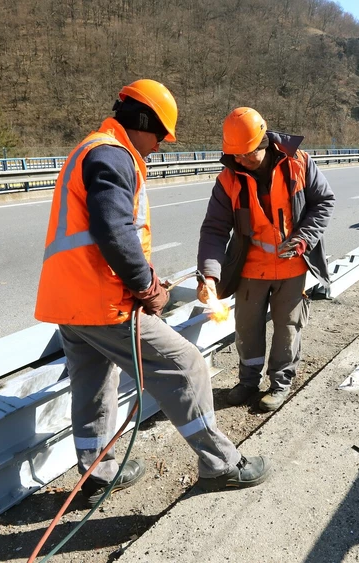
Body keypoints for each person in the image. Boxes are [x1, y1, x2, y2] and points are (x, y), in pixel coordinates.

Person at [34, 80, 269, 504]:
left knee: (93, 385)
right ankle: (220, 465)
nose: (159, 147)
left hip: (67, 301)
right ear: (143, 121)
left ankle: (99, 475)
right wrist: (145, 287)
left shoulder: (88, 149)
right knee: (186, 365)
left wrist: (143, 277)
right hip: (101, 302)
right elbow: (113, 228)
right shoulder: (113, 155)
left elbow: (95, 235)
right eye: (160, 135)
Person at [197, 107, 335, 412]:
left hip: (292, 265)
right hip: (251, 267)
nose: (241, 160)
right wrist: (209, 274)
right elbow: (214, 229)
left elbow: (324, 202)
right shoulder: (229, 179)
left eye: (247, 154)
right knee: (247, 328)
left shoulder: (299, 163)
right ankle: (248, 382)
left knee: (287, 327)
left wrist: (303, 238)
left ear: (264, 143)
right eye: (235, 155)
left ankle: (280, 383)